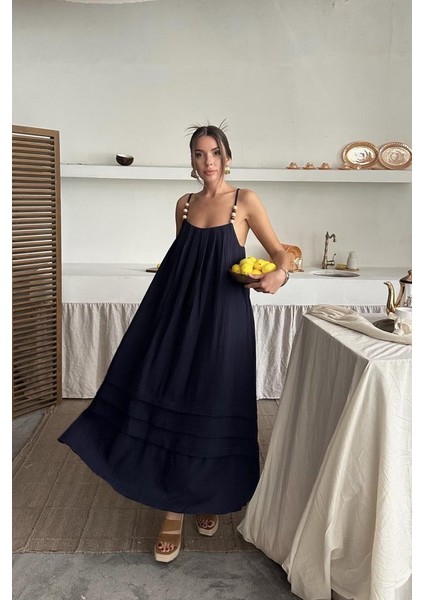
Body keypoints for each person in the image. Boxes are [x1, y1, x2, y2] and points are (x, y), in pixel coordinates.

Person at [59, 123, 292, 563]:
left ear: (228, 157)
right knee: (172, 394)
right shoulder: (184, 205)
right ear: (192, 161)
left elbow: (280, 252)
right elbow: (183, 264)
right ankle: (172, 510)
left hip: (224, 318)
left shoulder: (244, 201)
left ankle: (208, 494)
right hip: (178, 314)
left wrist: (279, 274)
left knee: (214, 399)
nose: (208, 162)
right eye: (199, 154)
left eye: (215, 153)